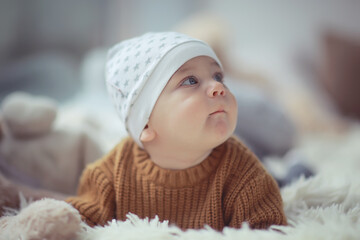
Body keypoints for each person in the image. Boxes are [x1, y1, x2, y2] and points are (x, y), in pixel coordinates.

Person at [66, 32, 287, 231]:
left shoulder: (244, 172)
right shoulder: (111, 174)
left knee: (283, 179)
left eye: (217, 76)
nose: (218, 87)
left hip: (262, 165)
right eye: (190, 81)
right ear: (145, 125)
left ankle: (293, 171)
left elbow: (266, 230)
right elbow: (82, 221)